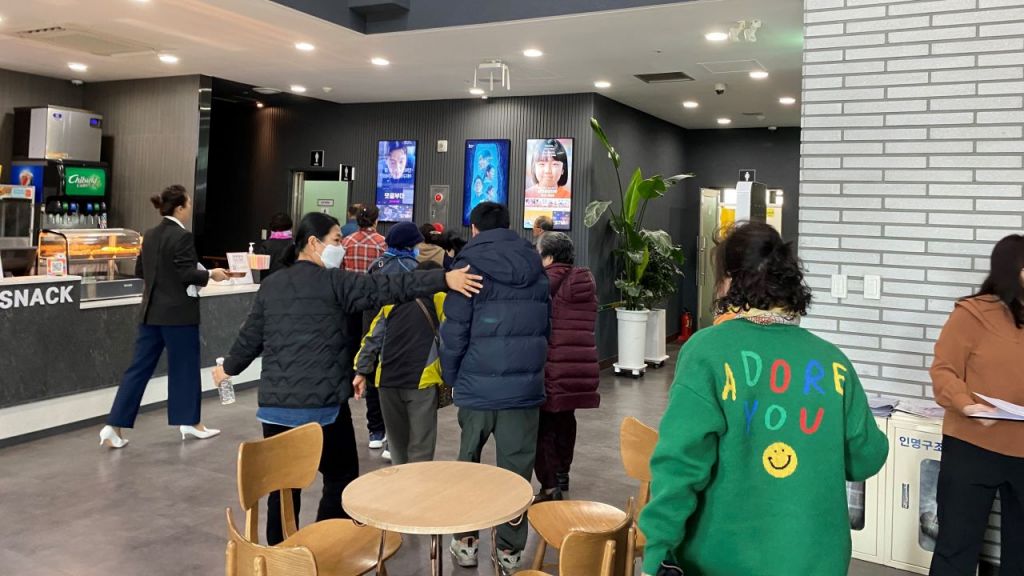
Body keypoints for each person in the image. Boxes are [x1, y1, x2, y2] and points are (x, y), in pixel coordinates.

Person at [212, 212, 482, 546]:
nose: (341, 247)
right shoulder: (336, 283)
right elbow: (391, 286)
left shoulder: (272, 285)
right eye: (337, 240)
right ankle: (324, 544)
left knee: (281, 489)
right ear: (314, 243)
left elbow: (249, 338)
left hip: (276, 411)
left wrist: (227, 370)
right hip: (323, 410)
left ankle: (280, 555)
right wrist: (444, 279)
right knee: (340, 478)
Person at [637, 221, 888, 576]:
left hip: (722, 561)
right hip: (817, 561)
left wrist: (657, 551)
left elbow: (679, 463)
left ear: (729, 280)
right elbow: (867, 458)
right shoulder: (833, 362)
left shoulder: (708, 351)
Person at [441, 202, 549, 574]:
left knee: (469, 465)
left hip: (476, 386)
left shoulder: (466, 268)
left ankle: (466, 543)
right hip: (524, 389)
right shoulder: (535, 266)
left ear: (474, 229)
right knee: (516, 473)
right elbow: (545, 327)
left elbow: (454, 332)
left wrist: (452, 378)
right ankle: (509, 551)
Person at [99, 185, 230, 449]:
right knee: (185, 368)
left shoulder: (149, 234)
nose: (190, 208)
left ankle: (114, 425)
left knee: (138, 370)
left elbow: (141, 270)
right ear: (180, 208)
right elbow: (186, 273)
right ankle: (190, 422)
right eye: (188, 203)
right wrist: (211, 274)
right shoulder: (182, 236)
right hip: (179, 315)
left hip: (150, 313)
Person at [929, 234, 1024, 576]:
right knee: (956, 546)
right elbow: (943, 370)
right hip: (972, 444)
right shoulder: (972, 314)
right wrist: (965, 404)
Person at [354, 260, 446, 465]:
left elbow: (372, 338)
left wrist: (361, 371)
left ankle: (400, 483)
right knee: (421, 449)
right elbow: (450, 338)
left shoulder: (393, 298)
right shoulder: (439, 297)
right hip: (421, 382)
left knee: (397, 448)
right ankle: (416, 485)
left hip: (387, 382)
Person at [532, 232, 599, 503]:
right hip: (578, 366)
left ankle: (550, 485)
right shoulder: (584, 282)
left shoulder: (543, 284)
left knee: (543, 426)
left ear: (548, 257)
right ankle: (562, 474)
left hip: (550, 366)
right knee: (565, 420)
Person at [340, 205, 389, 450]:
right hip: (373, 306)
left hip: (351, 303)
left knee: (352, 345)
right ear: (376, 220)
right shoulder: (382, 244)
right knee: (372, 350)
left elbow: (340, 272)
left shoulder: (346, 242)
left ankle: (352, 381)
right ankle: (379, 427)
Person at [257, 212, 293, 278]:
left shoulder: (266, 245)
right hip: (290, 282)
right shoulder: (295, 244)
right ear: (290, 226)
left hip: (269, 281)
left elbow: (260, 268)